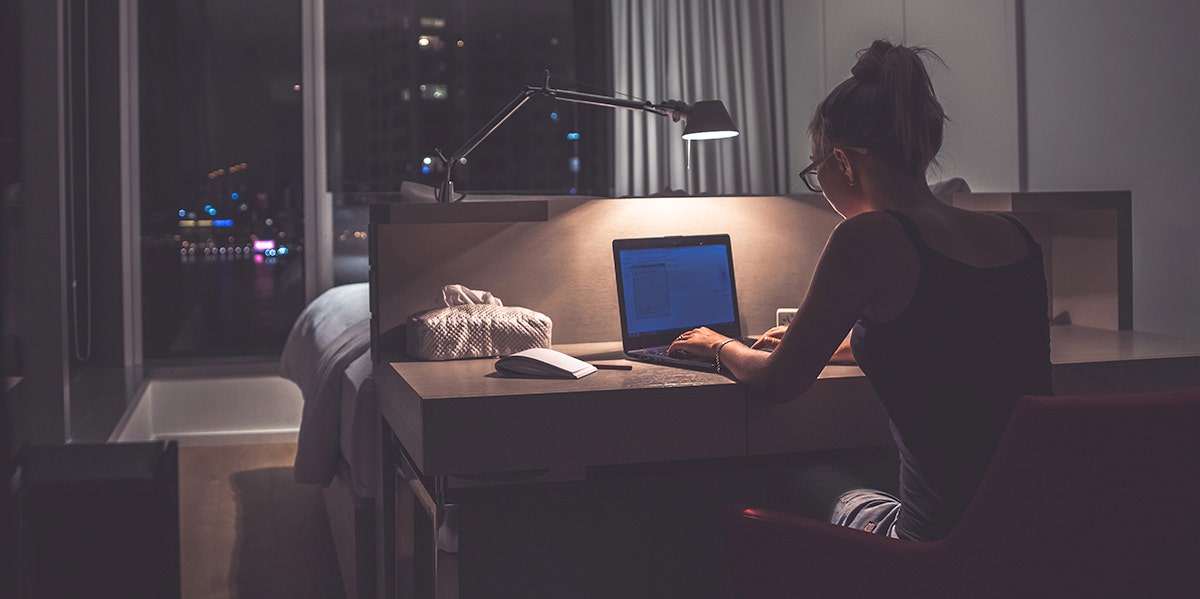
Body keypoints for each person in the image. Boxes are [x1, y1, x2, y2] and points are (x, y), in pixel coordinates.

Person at [668, 40, 1052, 541]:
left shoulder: (869, 237)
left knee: (789, 478)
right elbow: (953, 340)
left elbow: (779, 384)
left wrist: (718, 345)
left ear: (844, 162)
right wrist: (830, 342)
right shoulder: (1014, 235)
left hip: (934, 547)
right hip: (1036, 538)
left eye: (816, 168)